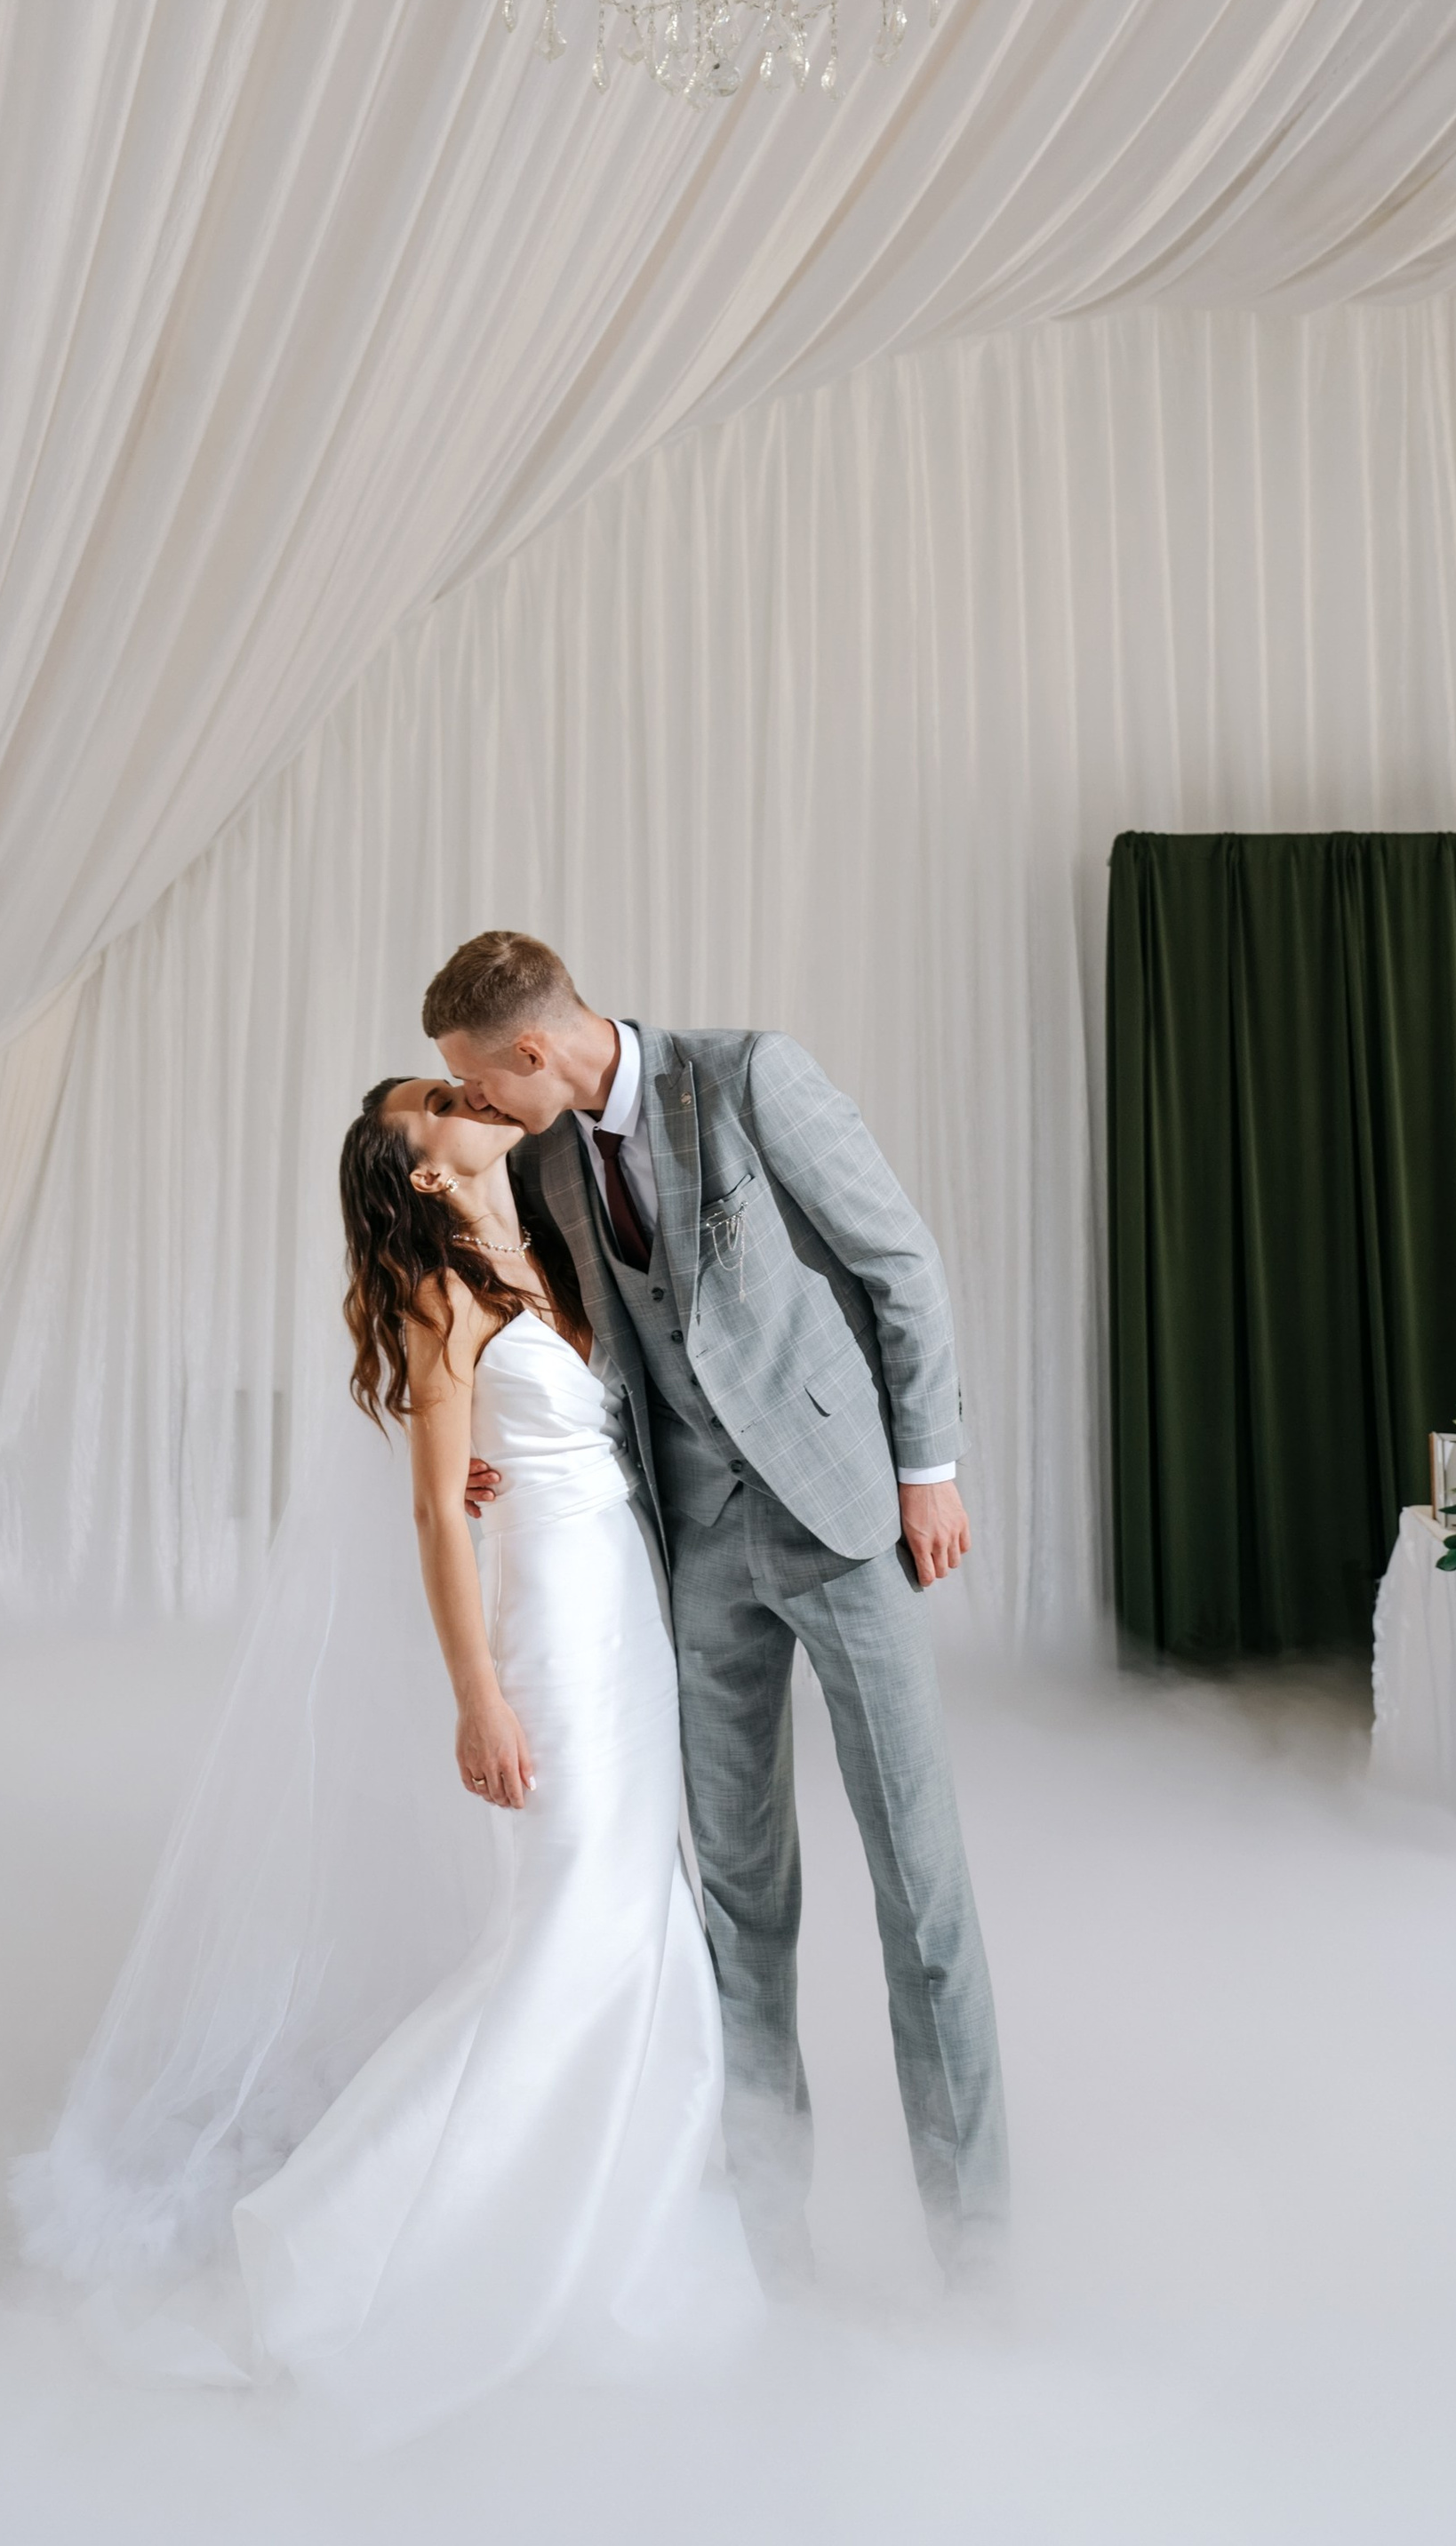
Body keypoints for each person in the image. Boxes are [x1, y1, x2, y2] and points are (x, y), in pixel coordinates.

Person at [24, 1068, 753, 2438]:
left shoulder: (543, 1240)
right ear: (421, 1169)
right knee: (563, 1933)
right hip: (539, 1628)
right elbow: (432, 1518)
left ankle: (607, 2214)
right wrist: (478, 1700)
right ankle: (348, 2244)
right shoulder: (441, 1294)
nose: (466, 1093)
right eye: (437, 1099)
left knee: (637, 1919)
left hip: (624, 1618)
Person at [424, 932, 1007, 2294]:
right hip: (693, 1551)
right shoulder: (554, 1156)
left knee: (920, 1893)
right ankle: (769, 2258)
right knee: (739, 1903)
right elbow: (571, 1338)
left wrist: (928, 1472)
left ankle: (978, 2260)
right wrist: (482, 1439)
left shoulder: (751, 1079)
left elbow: (900, 1266)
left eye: (479, 1086)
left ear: (531, 1050)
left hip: (846, 1521)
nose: (481, 1114)